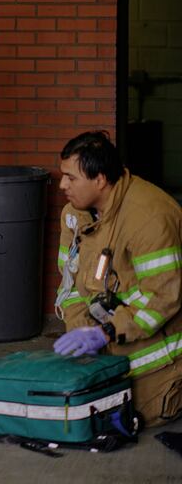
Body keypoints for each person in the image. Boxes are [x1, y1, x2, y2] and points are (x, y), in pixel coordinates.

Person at [54, 130, 182, 427]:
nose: (62, 185)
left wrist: (106, 333)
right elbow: (68, 283)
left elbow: (163, 297)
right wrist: (81, 331)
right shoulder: (74, 215)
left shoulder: (150, 217)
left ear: (99, 180)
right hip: (105, 361)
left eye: (71, 178)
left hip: (157, 367)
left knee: (133, 419)